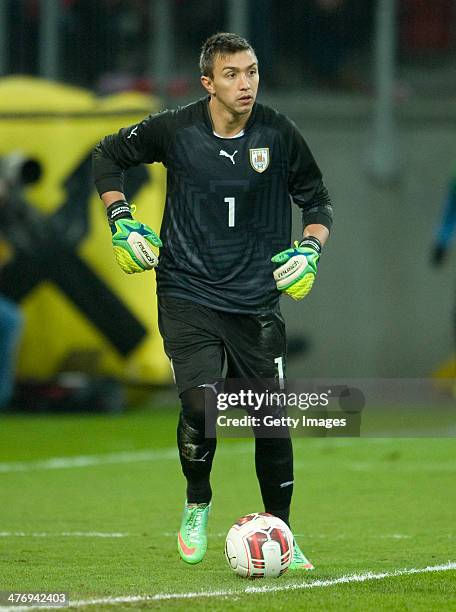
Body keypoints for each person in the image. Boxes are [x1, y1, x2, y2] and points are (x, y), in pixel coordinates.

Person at [93, 32, 333, 568]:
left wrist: (311, 248)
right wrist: (120, 218)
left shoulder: (279, 132)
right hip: (187, 291)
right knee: (201, 409)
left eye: (251, 71)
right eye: (232, 74)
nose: (245, 83)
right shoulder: (175, 130)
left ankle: (282, 535)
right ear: (208, 82)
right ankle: (197, 501)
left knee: (270, 420)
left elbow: (317, 199)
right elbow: (107, 155)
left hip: (255, 301)